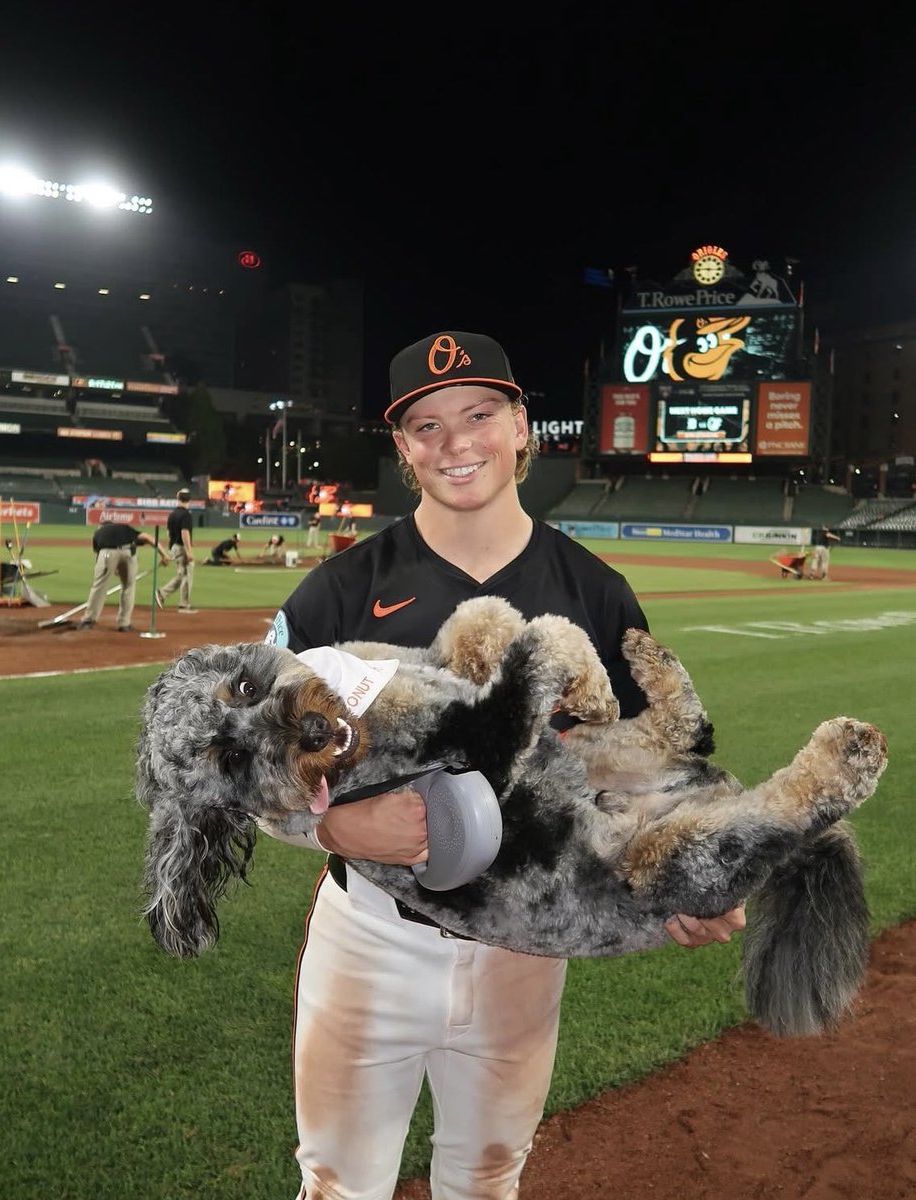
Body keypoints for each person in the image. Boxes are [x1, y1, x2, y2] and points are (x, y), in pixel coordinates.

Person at [264, 329, 746, 1200]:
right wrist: (330, 821)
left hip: (530, 942)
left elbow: (645, 774)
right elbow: (243, 766)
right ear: (405, 449)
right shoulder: (336, 592)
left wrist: (686, 875)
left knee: (487, 1181)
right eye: (427, 426)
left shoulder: (595, 592)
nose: (456, 443)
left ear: (522, 426)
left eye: (480, 414)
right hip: (372, 937)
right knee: (337, 1184)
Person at [76, 522, 170, 631]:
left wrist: (113, 566)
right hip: (128, 552)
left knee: (99, 587)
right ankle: (125, 623)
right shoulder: (125, 529)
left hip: (107, 553)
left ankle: (88, 620)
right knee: (128, 587)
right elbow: (148, 538)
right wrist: (164, 554)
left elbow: (100, 554)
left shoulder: (99, 532)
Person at [156, 488, 197, 612]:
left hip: (174, 546)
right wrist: (189, 551)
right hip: (182, 547)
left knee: (182, 575)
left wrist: (171, 549)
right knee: (187, 575)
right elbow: (185, 533)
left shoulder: (172, 514)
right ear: (189, 500)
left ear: (178, 499)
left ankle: (162, 593)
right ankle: (184, 604)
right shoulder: (186, 515)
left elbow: (168, 534)